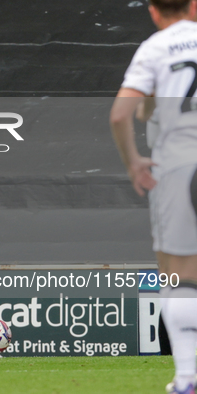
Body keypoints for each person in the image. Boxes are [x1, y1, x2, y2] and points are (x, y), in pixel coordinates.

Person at [110, 0, 197, 392]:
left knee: (178, 275)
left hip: (179, 166)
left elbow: (121, 114)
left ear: (153, 10)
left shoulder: (155, 47)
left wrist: (133, 163)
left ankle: (187, 378)